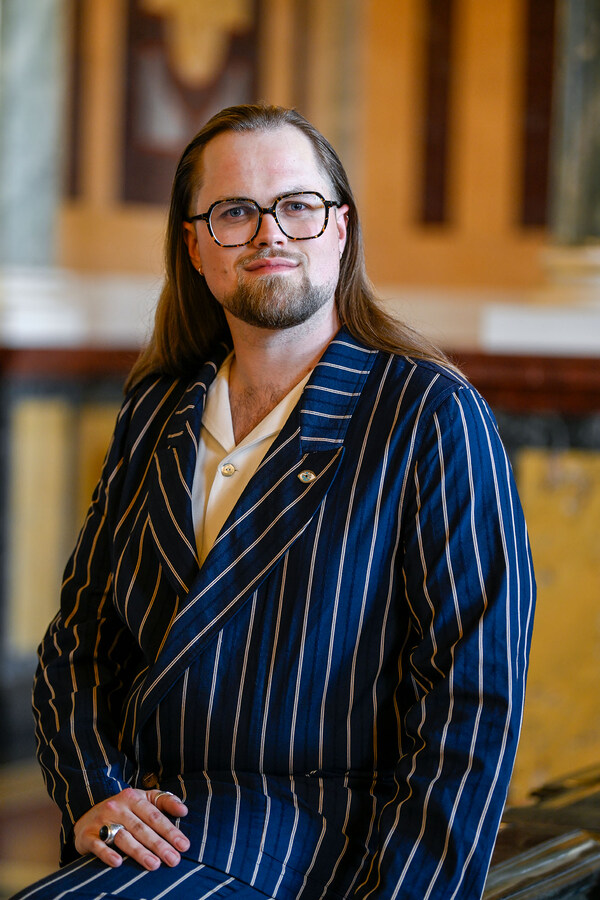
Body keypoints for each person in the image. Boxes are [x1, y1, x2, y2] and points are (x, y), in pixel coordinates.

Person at [13, 104, 535, 900]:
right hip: (148, 834)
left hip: (318, 853)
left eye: (297, 205)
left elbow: (474, 698)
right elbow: (78, 646)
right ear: (193, 245)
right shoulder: (155, 412)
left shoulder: (428, 414)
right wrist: (92, 789)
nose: (271, 234)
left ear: (340, 229)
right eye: (235, 212)